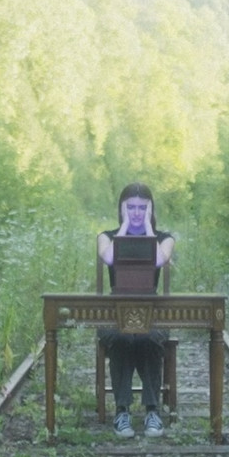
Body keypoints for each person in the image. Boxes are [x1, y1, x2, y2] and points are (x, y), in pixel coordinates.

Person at [97, 182, 176, 438]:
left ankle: (153, 411)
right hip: (114, 313)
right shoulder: (107, 237)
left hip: (152, 312)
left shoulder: (164, 239)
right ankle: (122, 411)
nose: (137, 212)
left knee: (147, 336)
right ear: (121, 208)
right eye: (130, 207)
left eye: (143, 207)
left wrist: (148, 230)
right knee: (122, 337)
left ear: (150, 209)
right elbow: (109, 257)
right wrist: (124, 227)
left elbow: (158, 259)